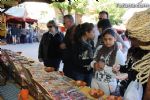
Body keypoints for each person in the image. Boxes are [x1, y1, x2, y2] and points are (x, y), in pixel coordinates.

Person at [91, 28, 126, 95]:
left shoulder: (119, 54)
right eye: (105, 39)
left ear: (115, 38)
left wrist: (104, 67)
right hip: (95, 80)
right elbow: (93, 61)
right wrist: (94, 64)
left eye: (110, 39)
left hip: (108, 85)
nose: (107, 41)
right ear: (103, 39)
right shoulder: (99, 48)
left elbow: (121, 74)